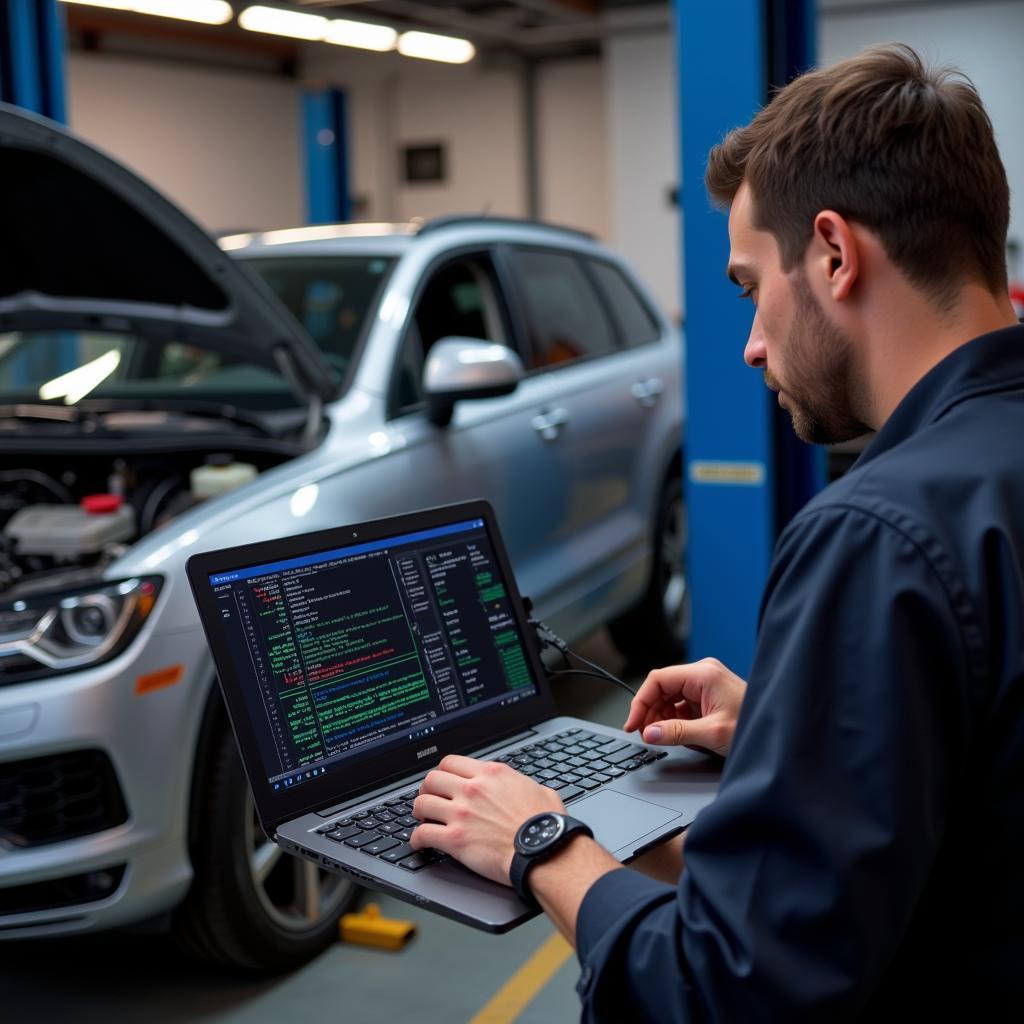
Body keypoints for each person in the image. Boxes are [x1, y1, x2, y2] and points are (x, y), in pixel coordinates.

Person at [409, 43, 1024, 1019]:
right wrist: (797, 735)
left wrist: (539, 842)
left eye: (748, 288)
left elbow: (724, 989)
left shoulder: (877, 534)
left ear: (832, 253)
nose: (748, 344)